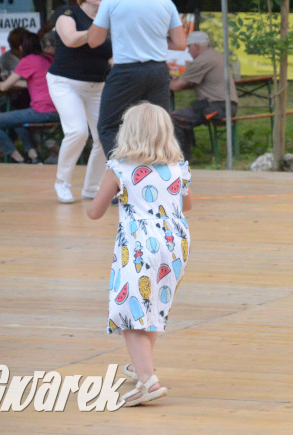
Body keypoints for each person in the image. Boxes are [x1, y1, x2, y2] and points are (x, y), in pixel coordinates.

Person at [87, 102, 191, 406]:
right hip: (176, 243)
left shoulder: (120, 168)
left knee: (129, 314)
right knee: (154, 305)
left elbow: (95, 212)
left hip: (139, 244)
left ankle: (149, 382)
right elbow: (187, 206)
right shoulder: (179, 167)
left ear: (128, 133)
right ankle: (140, 364)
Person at [88, 0, 186, 158]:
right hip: (158, 71)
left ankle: (122, 174)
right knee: (159, 126)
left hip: (126, 70)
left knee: (108, 126)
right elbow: (180, 43)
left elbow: (94, 40)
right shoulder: (165, 0)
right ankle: (160, 172)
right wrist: (156, 41)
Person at [46, 0, 113, 203]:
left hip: (97, 85)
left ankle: (91, 188)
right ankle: (62, 183)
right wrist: (96, 30)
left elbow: (112, 57)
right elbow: (71, 39)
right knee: (77, 131)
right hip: (65, 82)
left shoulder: (108, 21)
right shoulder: (67, 14)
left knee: (104, 136)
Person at [0, 32, 59, 165]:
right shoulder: (49, 59)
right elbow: (34, 82)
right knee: (18, 119)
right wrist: (14, 82)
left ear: (21, 48)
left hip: (42, 111)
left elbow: (3, 87)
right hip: (60, 112)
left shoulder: (28, 60)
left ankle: (17, 158)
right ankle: (33, 155)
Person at [170, 31, 238, 162]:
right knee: (184, 118)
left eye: (189, 48)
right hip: (225, 105)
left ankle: (180, 160)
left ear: (195, 46)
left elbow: (176, 87)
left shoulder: (202, 60)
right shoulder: (216, 55)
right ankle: (184, 158)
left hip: (217, 107)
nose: (188, 52)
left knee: (173, 119)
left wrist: (165, 81)